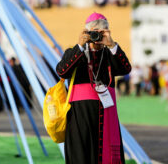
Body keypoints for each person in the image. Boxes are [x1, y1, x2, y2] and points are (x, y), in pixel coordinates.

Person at [56, 12, 131, 164]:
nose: (97, 37)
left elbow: (125, 69)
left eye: (100, 32)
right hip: (79, 117)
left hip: (106, 115)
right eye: (93, 33)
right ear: (87, 32)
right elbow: (61, 71)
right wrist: (79, 46)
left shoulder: (110, 53)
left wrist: (112, 45)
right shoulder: (76, 52)